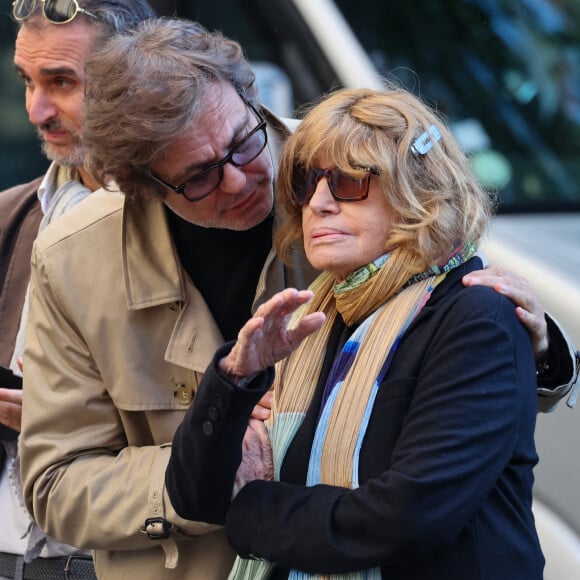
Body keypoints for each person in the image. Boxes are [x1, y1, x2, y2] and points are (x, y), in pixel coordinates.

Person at [18, 17, 577, 580]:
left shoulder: (343, 157)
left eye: (243, 143)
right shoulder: (73, 258)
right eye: (199, 177)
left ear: (249, 97)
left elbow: (454, 300)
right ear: (142, 186)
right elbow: (55, 481)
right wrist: (218, 471)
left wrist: (543, 346)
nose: (240, 181)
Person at [166, 86, 546, 579]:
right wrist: (235, 379)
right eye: (307, 182)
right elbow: (196, 496)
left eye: (348, 180)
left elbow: (406, 517)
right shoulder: (316, 318)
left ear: (419, 192)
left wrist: (253, 514)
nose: (319, 203)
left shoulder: (476, 317)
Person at [0, 1, 155, 578]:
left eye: (62, 82)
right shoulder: (11, 217)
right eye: (27, 81)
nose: (37, 110)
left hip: (134, 555)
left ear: (138, 77)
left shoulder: (199, 217)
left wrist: (73, 419)